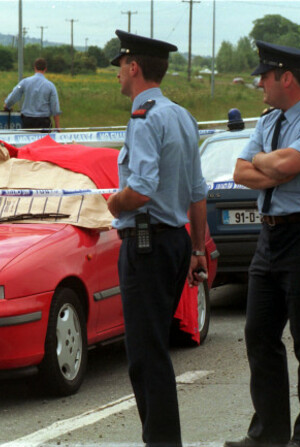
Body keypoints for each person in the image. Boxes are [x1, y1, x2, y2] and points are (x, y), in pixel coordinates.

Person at [225, 41, 300, 447]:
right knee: (259, 333)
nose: (259, 84)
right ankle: (268, 433)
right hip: (270, 235)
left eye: (264, 76)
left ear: (285, 77)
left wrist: (272, 164)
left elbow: (289, 167)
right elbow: (240, 171)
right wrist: (271, 166)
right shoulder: (270, 120)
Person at [106, 30, 208, 447]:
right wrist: (199, 249)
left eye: (120, 67)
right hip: (176, 241)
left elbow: (141, 188)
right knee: (153, 351)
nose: (118, 76)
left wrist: (114, 204)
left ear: (134, 67)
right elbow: (198, 193)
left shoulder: (143, 117)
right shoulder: (182, 115)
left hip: (146, 243)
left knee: (146, 356)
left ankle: (162, 442)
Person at [3, 57, 61, 131]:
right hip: (44, 122)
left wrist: (7, 105)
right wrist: (57, 126)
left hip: (27, 122)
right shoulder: (50, 86)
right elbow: (55, 107)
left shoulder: (24, 82)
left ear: (35, 68)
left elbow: (14, 94)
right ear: (45, 69)